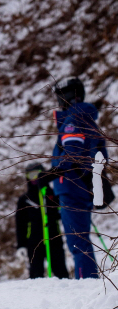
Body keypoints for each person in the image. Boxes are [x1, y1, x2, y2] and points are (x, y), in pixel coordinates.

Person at [50, 78, 109, 279]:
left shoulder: (73, 120)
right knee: (80, 238)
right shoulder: (87, 120)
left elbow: (72, 152)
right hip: (82, 185)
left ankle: (86, 282)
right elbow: (102, 156)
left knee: (77, 240)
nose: (57, 101)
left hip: (72, 186)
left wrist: (52, 172)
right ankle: (88, 281)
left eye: (59, 96)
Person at [16, 163, 69, 279]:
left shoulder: (54, 195)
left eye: (38, 175)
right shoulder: (24, 199)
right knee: (36, 274)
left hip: (54, 237)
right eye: (31, 175)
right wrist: (21, 245)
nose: (35, 178)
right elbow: (20, 224)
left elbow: (62, 214)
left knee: (61, 273)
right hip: (34, 242)